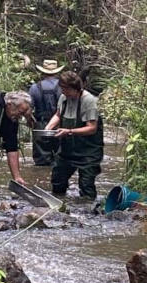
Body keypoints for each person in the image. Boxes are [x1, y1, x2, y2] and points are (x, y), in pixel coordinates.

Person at [43, 70, 105, 200]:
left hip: (89, 151)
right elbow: (58, 115)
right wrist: (48, 128)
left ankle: (88, 212)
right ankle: (59, 207)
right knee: (57, 181)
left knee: (86, 185)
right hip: (67, 150)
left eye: (65, 89)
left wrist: (69, 131)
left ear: (75, 88)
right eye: (62, 89)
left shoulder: (88, 101)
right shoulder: (63, 98)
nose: (62, 92)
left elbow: (92, 128)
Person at [29, 59, 64, 166]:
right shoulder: (63, 87)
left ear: (42, 72)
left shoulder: (34, 88)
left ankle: (41, 180)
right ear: (57, 72)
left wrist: (30, 122)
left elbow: (28, 109)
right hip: (60, 125)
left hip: (40, 125)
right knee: (61, 160)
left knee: (41, 162)